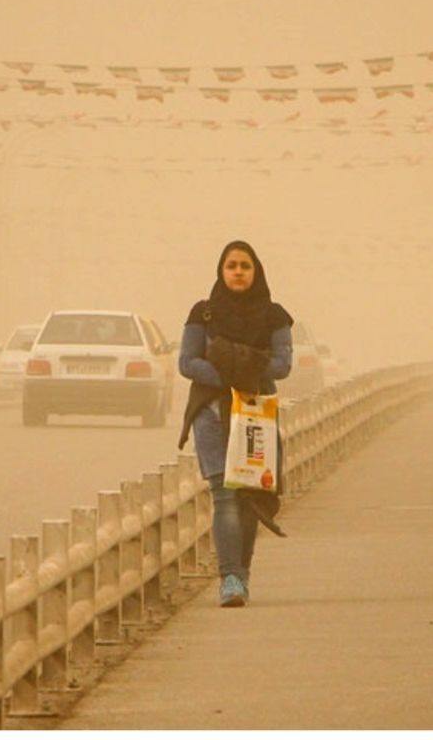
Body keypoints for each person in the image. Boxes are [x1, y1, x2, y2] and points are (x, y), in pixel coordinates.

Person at [177, 240, 293, 607]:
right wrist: (234, 374)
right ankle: (229, 579)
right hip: (211, 413)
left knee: (249, 499)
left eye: (245, 265)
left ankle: (241, 576)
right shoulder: (203, 314)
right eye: (232, 265)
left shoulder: (275, 316)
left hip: (255, 416)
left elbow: (282, 364)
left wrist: (239, 369)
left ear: (255, 270)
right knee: (225, 496)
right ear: (221, 271)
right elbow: (186, 362)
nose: (238, 271)